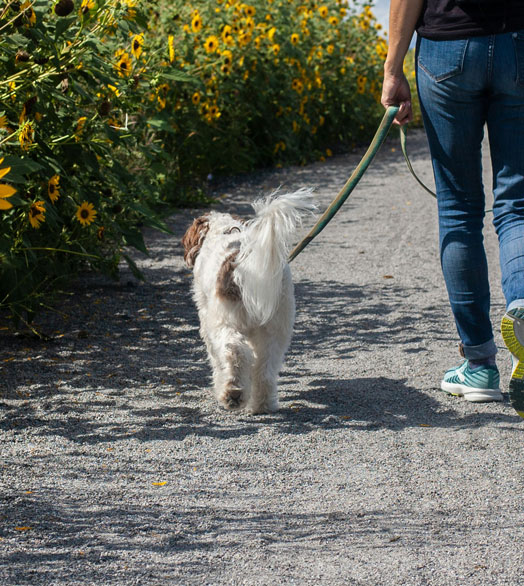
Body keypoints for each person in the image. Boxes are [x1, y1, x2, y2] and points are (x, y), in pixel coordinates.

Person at [381, 0, 524, 417]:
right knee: (517, 204)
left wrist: (393, 69)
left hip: (447, 47)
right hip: (517, 40)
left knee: (459, 209)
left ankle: (479, 364)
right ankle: (522, 303)